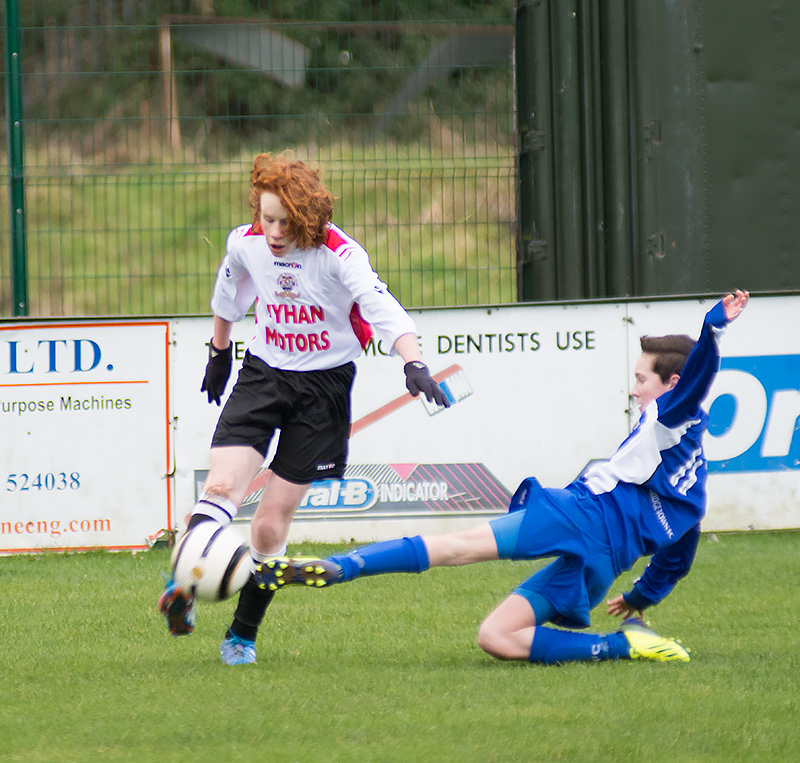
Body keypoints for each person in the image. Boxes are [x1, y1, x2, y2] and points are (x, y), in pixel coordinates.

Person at [255, 290, 750, 665]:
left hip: (582, 516)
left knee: (456, 546)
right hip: (604, 564)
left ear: (672, 387)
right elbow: (680, 554)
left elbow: (700, 378)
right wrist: (641, 598)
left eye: (642, 379)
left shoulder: (671, 414)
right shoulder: (693, 479)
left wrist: (713, 330)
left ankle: (343, 567)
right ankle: (623, 645)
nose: (635, 387)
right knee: (496, 636)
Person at [158, 152, 450, 665]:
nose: (271, 231)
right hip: (264, 375)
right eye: (266, 217)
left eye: (283, 222)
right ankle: (185, 585)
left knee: (269, 526)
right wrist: (220, 352)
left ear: (307, 219)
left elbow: (384, 309)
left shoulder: (340, 254)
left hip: (323, 390)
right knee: (222, 487)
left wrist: (414, 364)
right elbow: (229, 295)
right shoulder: (246, 242)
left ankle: (241, 635)